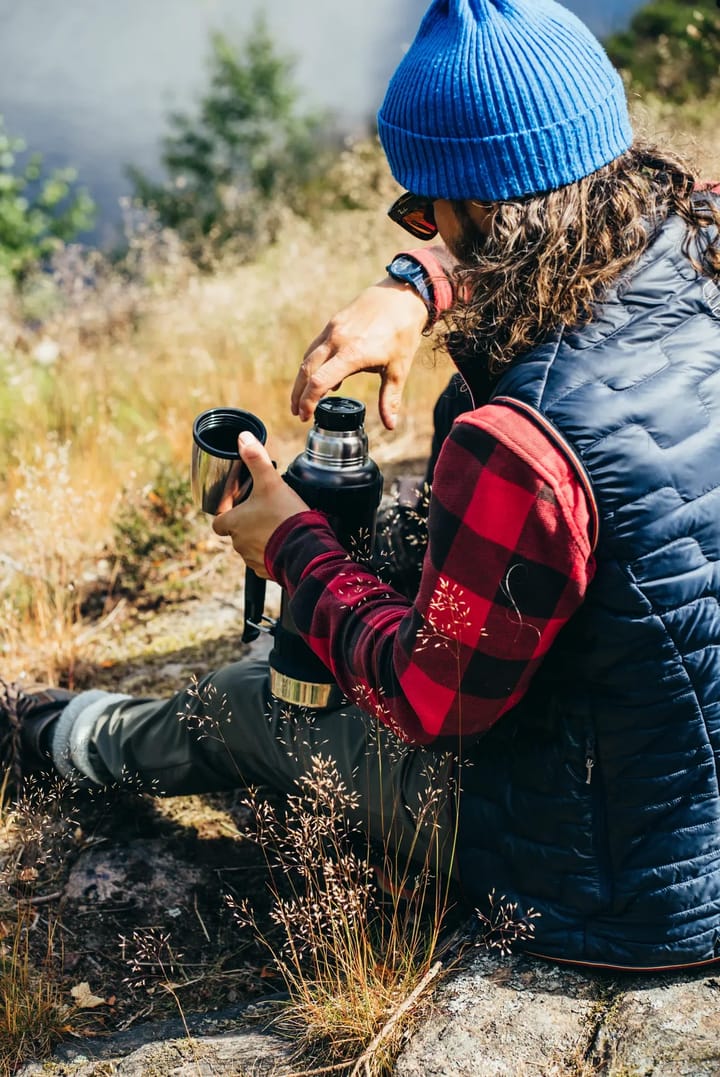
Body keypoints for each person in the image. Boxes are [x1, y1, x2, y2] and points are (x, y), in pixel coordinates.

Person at [3, 0, 720, 970]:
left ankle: (57, 739)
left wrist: (292, 546)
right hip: (675, 773)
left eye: (427, 211)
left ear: (482, 214)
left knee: (254, 698)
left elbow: (430, 704)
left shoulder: (521, 448)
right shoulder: (702, 234)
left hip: (615, 882)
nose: (426, 229)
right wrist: (413, 284)